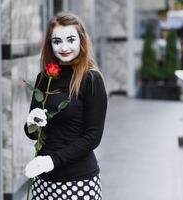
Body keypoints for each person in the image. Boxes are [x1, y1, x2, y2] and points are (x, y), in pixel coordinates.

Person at [23, 12, 108, 200]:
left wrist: (52, 161)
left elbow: (93, 137)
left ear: (81, 41)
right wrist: (31, 122)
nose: (64, 47)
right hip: (43, 181)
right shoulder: (44, 78)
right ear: (50, 45)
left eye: (70, 40)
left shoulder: (91, 79)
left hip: (78, 182)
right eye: (57, 41)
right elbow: (32, 134)